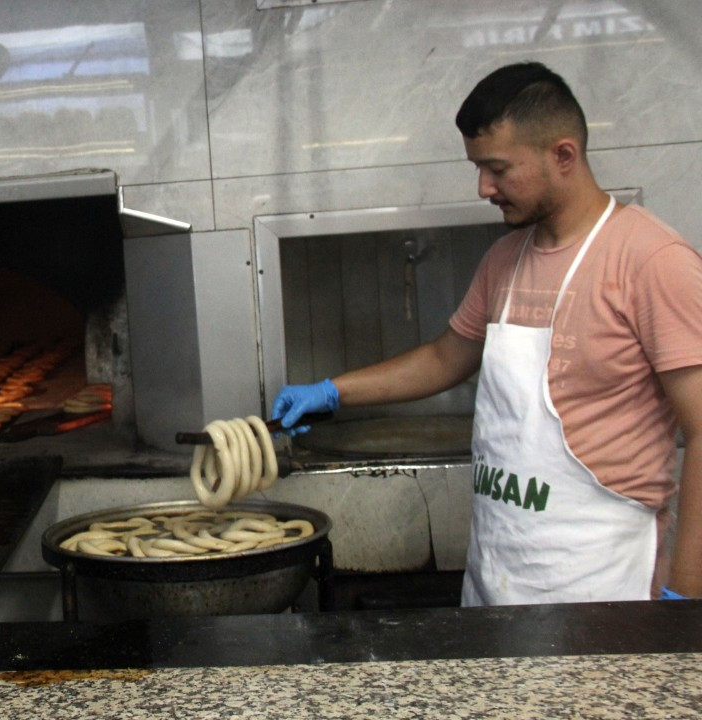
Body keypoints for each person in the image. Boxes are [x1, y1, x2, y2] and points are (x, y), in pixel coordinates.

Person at [271, 62, 702, 606]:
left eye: (497, 169)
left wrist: (687, 595)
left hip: (602, 584)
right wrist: (332, 390)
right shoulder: (506, 257)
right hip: (501, 571)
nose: (483, 187)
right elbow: (445, 358)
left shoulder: (652, 260)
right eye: (478, 168)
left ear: (563, 155)